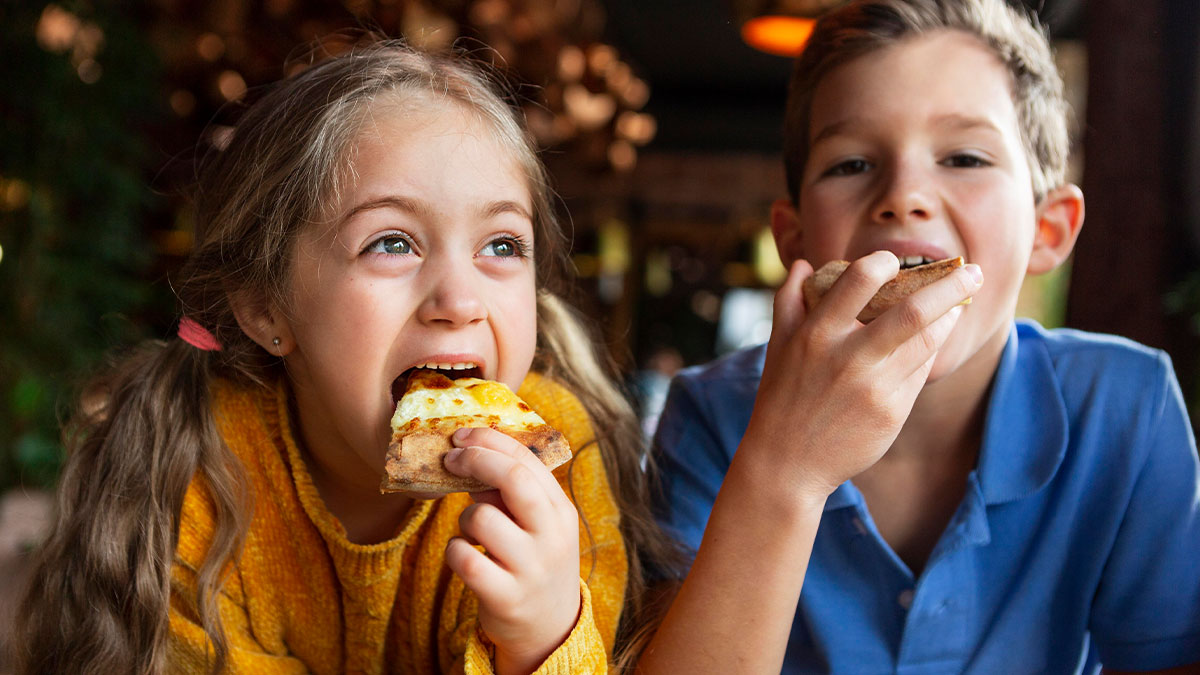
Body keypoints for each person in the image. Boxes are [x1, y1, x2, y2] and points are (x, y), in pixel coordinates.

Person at [13, 39, 677, 674]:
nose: (459, 298)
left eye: (501, 245)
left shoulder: (558, 468)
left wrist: (543, 639)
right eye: (391, 242)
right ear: (267, 307)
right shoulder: (197, 475)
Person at [641, 0, 1200, 673]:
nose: (904, 194)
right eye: (850, 164)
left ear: (1048, 229)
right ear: (793, 237)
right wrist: (785, 466)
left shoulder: (1126, 407)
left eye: (964, 156)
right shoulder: (710, 414)